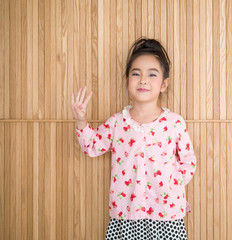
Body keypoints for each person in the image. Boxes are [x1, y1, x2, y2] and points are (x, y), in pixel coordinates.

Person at [71, 38, 196, 239]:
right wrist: (81, 120)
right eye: (136, 73)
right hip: (126, 214)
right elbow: (92, 147)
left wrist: (172, 186)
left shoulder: (174, 122)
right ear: (127, 79)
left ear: (164, 84)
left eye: (152, 74)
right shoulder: (117, 123)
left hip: (167, 215)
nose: (143, 80)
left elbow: (189, 162)